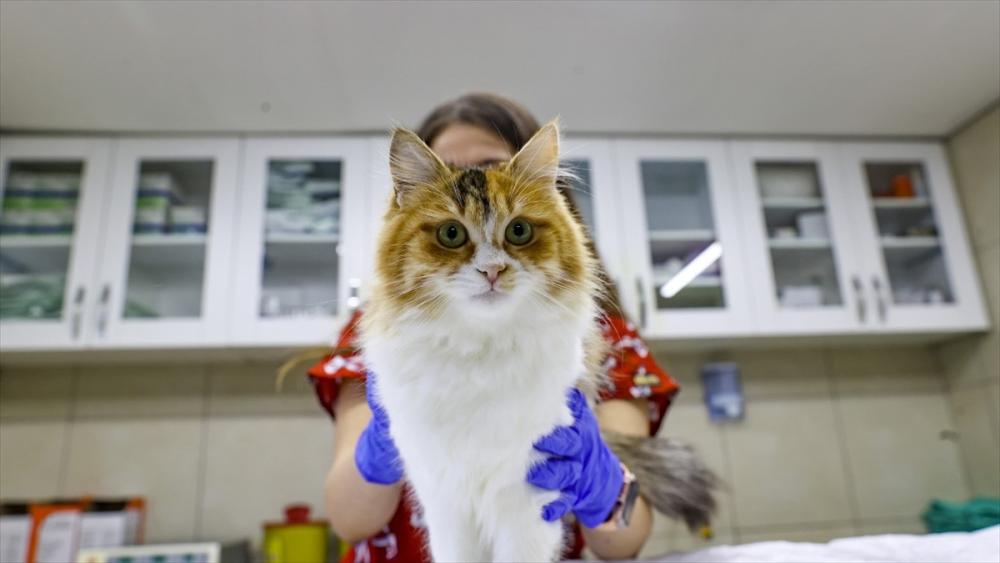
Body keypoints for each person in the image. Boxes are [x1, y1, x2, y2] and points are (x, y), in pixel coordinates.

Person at [308, 93, 679, 562]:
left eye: (491, 168)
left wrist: (602, 483)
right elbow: (348, 520)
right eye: (451, 232)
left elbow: (626, 541)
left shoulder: (611, 339)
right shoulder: (366, 334)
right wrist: (383, 447)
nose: (489, 266)